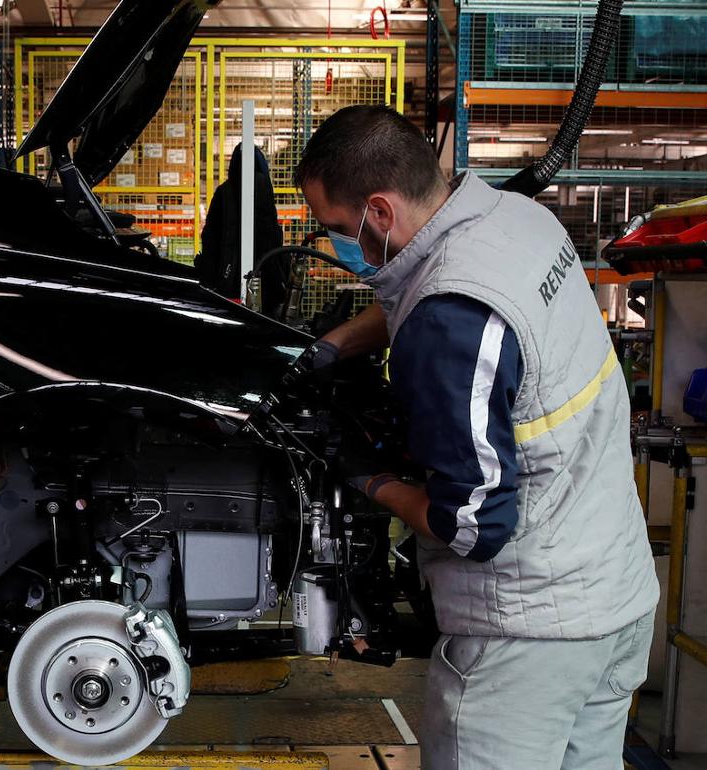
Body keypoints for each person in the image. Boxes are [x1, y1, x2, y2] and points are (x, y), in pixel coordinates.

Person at [292, 105, 658, 770]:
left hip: (527, 639)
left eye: (337, 229)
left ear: (378, 210)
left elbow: (471, 527)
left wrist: (370, 480)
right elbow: (428, 285)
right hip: (614, 595)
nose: (338, 244)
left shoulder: (448, 324)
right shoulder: (512, 219)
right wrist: (331, 348)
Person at [195, 146, 289, 314]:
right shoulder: (263, 185)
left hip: (226, 280)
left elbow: (210, 236)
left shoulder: (224, 190)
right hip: (265, 280)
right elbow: (270, 235)